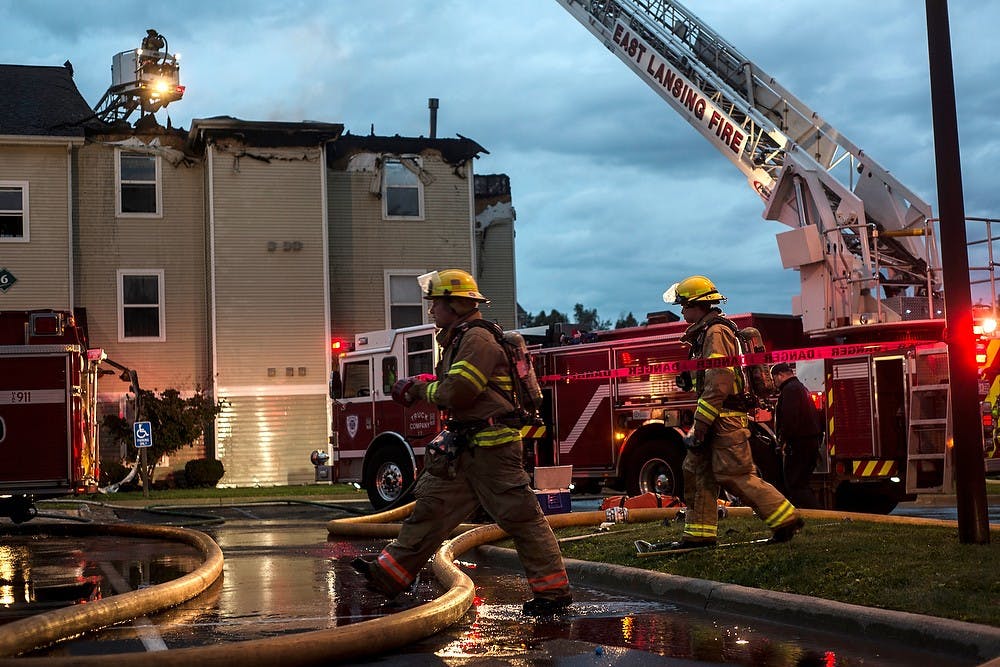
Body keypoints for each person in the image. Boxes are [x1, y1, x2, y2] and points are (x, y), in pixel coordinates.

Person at [352, 269, 572, 616]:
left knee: (522, 519)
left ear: (455, 305)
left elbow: (460, 390)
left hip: (492, 449)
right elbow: (456, 383)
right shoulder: (459, 339)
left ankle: (553, 593)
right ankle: (389, 575)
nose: (431, 312)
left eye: (435, 305)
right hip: (465, 447)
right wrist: (426, 382)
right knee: (430, 509)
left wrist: (419, 390)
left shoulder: (477, 340)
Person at [659, 275, 804, 549]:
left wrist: (700, 424)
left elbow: (719, 382)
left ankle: (785, 518)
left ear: (697, 305)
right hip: (715, 417)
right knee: (696, 472)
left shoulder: (716, 333)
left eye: (684, 305)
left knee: (735, 475)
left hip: (723, 420)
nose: (681, 311)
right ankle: (699, 535)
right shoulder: (705, 333)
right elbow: (708, 379)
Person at [770, 362, 823, 509]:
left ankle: (815, 515)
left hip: (799, 445)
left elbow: (789, 419)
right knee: (801, 483)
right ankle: (812, 515)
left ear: (780, 375)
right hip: (809, 443)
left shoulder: (790, 390)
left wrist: (783, 442)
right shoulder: (800, 388)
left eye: (774, 379)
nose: (774, 383)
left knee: (795, 484)